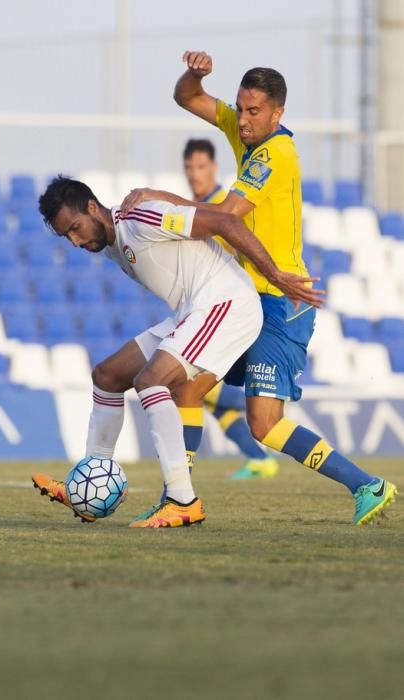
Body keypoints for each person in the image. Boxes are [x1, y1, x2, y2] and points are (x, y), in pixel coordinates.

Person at [120, 51, 397, 525]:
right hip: (242, 298)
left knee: (264, 424)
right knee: (186, 389)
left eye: (253, 113)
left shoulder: (275, 154)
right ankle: (179, 499)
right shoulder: (244, 132)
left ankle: (367, 485)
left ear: (277, 114)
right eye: (240, 109)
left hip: (278, 302)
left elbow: (222, 218)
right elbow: (187, 97)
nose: (243, 121)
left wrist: (160, 198)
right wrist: (196, 75)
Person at [32, 176, 323, 529]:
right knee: (107, 376)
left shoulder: (140, 219)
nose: (76, 241)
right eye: (68, 236)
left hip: (225, 304)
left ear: (93, 207)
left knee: (152, 380)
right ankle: (90, 480)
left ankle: (182, 500)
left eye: (76, 228)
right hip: (192, 311)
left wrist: (274, 275)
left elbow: (224, 221)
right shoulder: (111, 244)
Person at [183, 137, 278, 480]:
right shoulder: (197, 210)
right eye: (190, 167)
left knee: (195, 385)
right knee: (201, 390)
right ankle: (257, 458)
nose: (195, 174)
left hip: (234, 312)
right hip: (210, 312)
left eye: (201, 167)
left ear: (214, 167)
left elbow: (242, 253)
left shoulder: (224, 207)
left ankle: (183, 478)